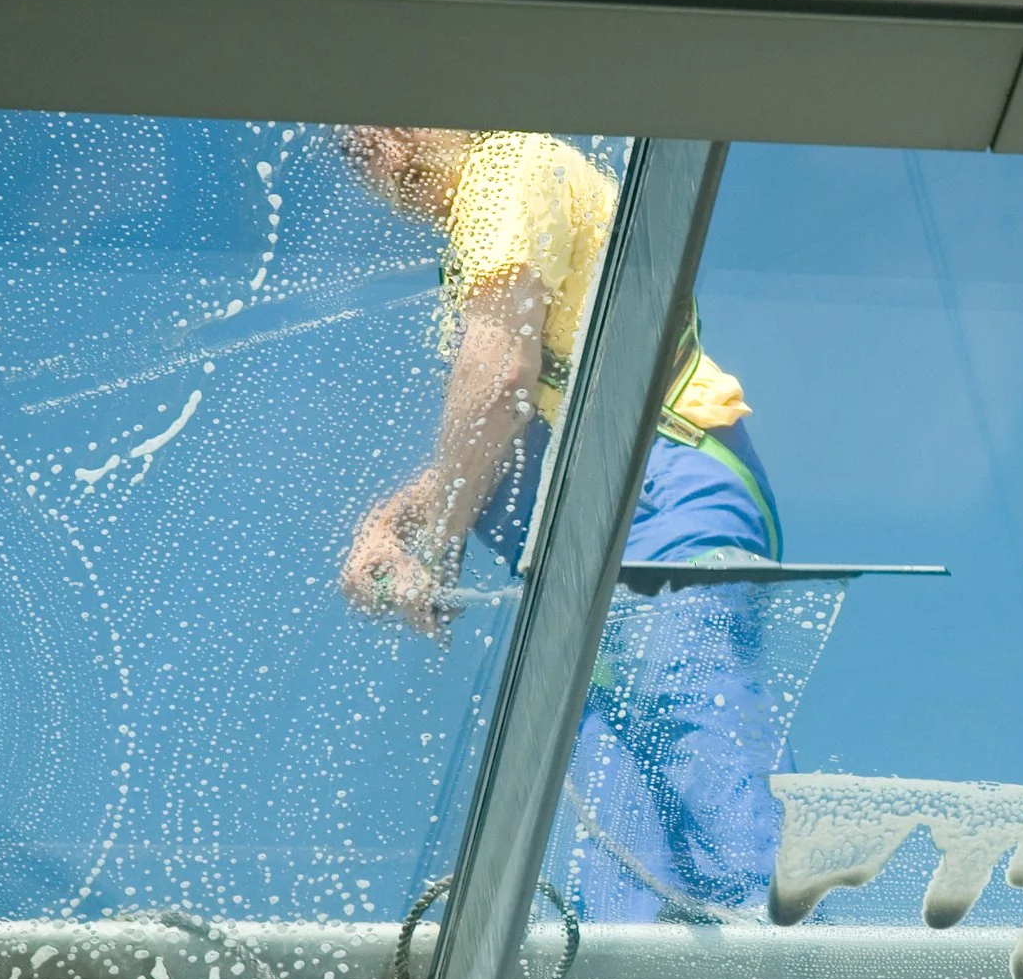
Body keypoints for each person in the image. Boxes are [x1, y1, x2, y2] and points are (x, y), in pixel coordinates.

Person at [336, 127, 786, 921]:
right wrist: (394, 519)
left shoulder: (505, 167)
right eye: (351, 147)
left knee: (695, 757)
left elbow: (496, 376)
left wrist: (435, 548)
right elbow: (508, 413)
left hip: (657, 512)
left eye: (369, 130)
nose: (370, 154)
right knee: (611, 849)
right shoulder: (510, 197)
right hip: (604, 554)